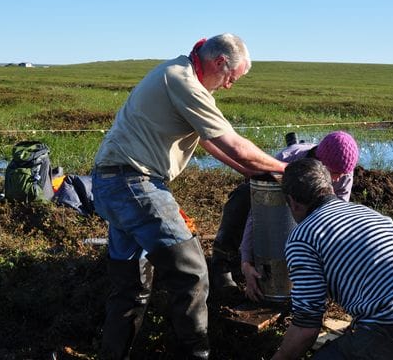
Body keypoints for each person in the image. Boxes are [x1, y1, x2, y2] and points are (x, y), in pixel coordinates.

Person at [91, 33, 287, 360]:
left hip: (112, 183)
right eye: (230, 78)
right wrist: (286, 169)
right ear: (220, 62)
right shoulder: (182, 81)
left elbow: (211, 143)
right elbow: (234, 145)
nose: (228, 86)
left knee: (131, 289)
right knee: (192, 273)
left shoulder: (179, 74)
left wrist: (252, 172)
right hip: (135, 183)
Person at [271, 158, 393, 360]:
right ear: (330, 188)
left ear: (292, 202)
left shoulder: (304, 236)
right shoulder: (366, 213)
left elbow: (306, 326)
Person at [209, 130, 359, 301]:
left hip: (303, 209)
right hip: (272, 198)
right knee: (242, 197)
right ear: (320, 163)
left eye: (343, 174)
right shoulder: (286, 160)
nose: (338, 179)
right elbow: (256, 213)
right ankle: (223, 263)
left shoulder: (344, 171)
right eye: (334, 174)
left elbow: (334, 219)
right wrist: (246, 262)